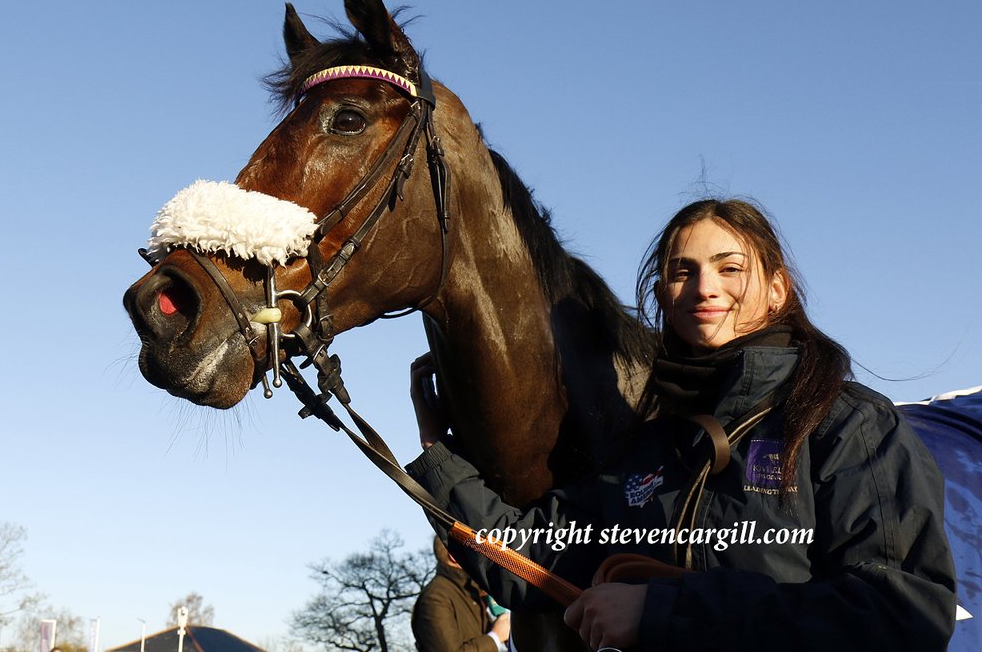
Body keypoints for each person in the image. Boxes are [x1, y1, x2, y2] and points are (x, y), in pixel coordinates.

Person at [406, 198, 957, 651]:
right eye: (682, 271)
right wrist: (435, 454)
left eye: (730, 268)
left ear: (777, 289)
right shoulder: (645, 449)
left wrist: (663, 611)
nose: (704, 287)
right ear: (663, 297)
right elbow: (527, 557)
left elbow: (900, 615)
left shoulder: (848, 423)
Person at [412, 537, 513, 652]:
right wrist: (495, 637)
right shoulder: (434, 598)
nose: (479, 554)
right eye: (472, 548)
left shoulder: (472, 591)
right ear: (453, 555)